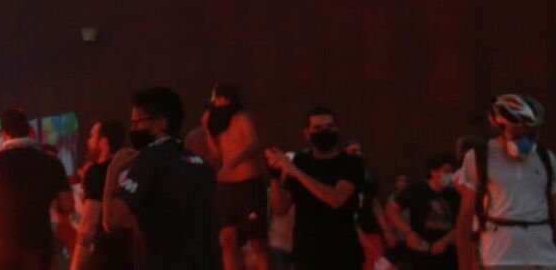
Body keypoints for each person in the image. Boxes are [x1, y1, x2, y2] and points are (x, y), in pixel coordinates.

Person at [453, 94, 556, 270]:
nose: (523, 131)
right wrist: (464, 265)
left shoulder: (545, 157)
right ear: (500, 124)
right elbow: (465, 217)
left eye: (528, 126)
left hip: (542, 249)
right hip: (499, 251)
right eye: (517, 125)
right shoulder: (479, 157)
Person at [104, 87, 218, 270]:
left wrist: (112, 170)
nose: (133, 129)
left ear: (161, 123)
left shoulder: (149, 160)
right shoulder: (202, 165)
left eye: (137, 122)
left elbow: (111, 221)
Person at [264, 106, 364, 270]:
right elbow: (280, 208)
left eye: (329, 126)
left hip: (343, 253)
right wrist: (274, 175)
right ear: (307, 133)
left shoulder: (351, 163)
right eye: (317, 128)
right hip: (307, 254)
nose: (324, 131)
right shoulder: (301, 160)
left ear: (336, 129)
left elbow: (336, 199)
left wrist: (296, 172)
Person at [0, 111, 71, 270]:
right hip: (39, 248)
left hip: (4, 249)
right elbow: (67, 205)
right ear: (28, 130)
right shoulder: (51, 162)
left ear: (3, 133)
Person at [202, 84, 268, 270]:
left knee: (257, 242)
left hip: (249, 185)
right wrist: (207, 128)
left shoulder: (242, 117)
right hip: (228, 188)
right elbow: (216, 154)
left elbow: (254, 142)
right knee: (227, 239)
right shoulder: (220, 124)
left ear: (225, 99)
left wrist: (233, 163)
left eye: (216, 99)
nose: (213, 103)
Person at [70, 120, 131, 270]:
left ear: (103, 142)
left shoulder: (97, 172)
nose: (89, 142)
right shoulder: (134, 169)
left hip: (105, 257)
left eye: (92, 137)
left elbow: (89, 224)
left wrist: (76, 265)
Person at [387, 155, 460, 270]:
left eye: (452, 172)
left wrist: (445, 241)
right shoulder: (416, 190)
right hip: (421, 249)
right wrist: (409, 233)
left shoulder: (454, 195)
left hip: (446, 252)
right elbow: (392, 211)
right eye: (446, 171)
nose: (450, 175)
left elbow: (461, 223)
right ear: (433, 172)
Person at [344, 139, 389, 270]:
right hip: (348, 233)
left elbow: (375, 204)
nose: (358, 153)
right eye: (353, 151)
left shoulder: (368, 176)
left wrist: (386, 230)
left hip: (370, 229)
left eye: (360, 151)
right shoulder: (339, 177)